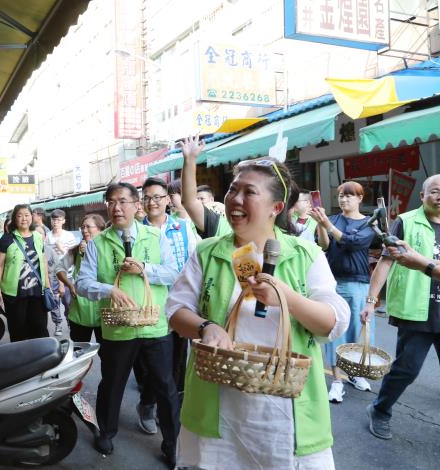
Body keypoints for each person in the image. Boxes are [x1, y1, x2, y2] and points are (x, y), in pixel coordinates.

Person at [167, 157, 350, 469]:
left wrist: (286, 296)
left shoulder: (305, 254)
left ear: (276, 208)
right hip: (218, 410)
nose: (235, 199)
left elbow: (333, 322)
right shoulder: (208, 252)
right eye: (232, 190)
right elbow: (176, 311)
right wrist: (206, 327)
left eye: (248, 192)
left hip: (285, 415)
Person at [76, 182, 181, 466]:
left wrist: (145, 269)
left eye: (122, 201)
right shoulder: (99, 242)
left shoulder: (155, 237)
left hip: (154, 325)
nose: (116, 207)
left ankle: (172, 444)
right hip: (117, 328)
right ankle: (106, 432)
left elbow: (173, 272)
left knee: (166, 387)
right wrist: (109, 290)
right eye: (111, 202)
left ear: (138, 205)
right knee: (112, 384)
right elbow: (82, 284)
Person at [362, 174, 440, 440]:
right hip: (416, 309)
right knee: (407, 369)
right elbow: (385, 262)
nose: (439, 196)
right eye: (435, 191)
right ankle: (380, 410)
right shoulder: (405, 221)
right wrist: (372, 301)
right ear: (423, 195)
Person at [134, 176, 200, 435]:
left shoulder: (183, 227)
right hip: (148, 307)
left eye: (158, 197)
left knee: (174, 364)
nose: (153, 202)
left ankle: (165, 410)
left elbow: (195, 264)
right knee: (155, 365)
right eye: (147, 197)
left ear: (168, 200)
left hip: (181, 306)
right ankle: (149, 405)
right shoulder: (135, 231)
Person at [310, 181, 377, 402]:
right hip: (334, 282)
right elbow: (324, 245)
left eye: (349, 195)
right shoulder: (332, 219)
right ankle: (337, 381)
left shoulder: (369, 224)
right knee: (335, 331)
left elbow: (351, 243)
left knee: (357, 332)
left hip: (358, 282)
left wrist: (326, 223)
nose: (343, 199)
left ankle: (355, 374)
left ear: (360, 198)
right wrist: (321, 225)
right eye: (340, 195)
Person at [0, 204, 51, 342]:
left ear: (32, 217)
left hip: (37, 291)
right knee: (18, 329)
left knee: (40, 327)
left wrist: (47, 285)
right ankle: (22, 359)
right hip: (14, 293)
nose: (24, 218)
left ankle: (41, 358)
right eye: (20, 215)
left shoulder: (37, 236)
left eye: (27, 215)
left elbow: (42, 261)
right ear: (14, 219)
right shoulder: (7, 239)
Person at [55, 214, 106, 343]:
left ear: (100, 228)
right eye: (82, 227)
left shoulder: (109, 249)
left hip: (104, 311)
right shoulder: (76, 251)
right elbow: (59, 269)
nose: (84, 230)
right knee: (79, 350)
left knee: (108, 353)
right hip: (80, 311)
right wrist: (70, 284)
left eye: (88, 227)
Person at [179, 136, 231, 239]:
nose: (238, 198)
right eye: (233, 190)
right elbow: (189, 201)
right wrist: (190, 159)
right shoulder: (218, 225)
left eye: (250, 192)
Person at [45, 209, 78, 336]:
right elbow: (46, 256)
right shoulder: (48, 236)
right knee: (54, 302)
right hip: (53, 275)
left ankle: (70, 321)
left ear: (64, 221)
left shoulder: (69, 236)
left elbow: (73, 255)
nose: (55, 222)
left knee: (68, 301)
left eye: (58, 220)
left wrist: (61, 248)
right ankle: (58, 323)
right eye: (53, 220)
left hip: (67, 274)